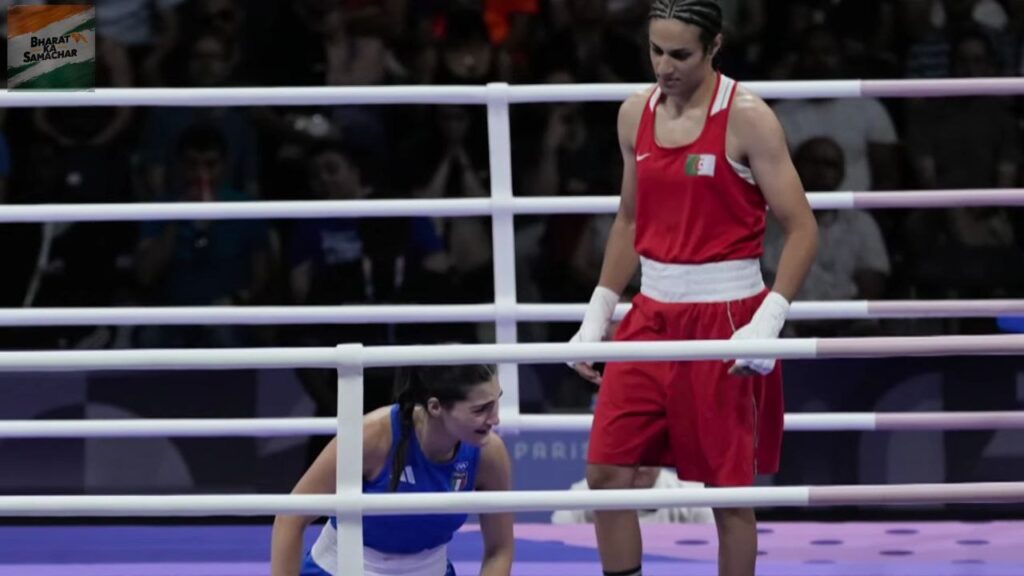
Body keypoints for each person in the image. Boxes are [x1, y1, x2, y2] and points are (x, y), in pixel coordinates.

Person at [569, 2, 819, 576]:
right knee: (607, 475)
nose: (664, 66)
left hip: (727, 316)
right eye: (656, 51)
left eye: (680, 54)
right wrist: (598, 311)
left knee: (727, 494)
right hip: (650, 315)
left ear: (713, 47)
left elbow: (803, 227)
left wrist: (768, 320)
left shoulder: (748, 117)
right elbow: (630, 219)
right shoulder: (635, 114)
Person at [271, 363, 515, 576]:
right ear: (436, 407)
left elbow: (500, 549)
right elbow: (290, 517)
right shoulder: (372, 437)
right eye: (481, 409)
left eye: (496, 402)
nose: (495, 419)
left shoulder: (489, 453)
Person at [551, 466, 714, 525]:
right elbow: (560, 527)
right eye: (635, 454)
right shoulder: (584, 496)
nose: (641, 464)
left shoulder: (692, 494)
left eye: (649, 453)